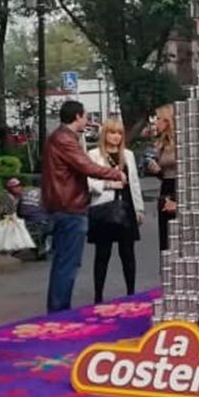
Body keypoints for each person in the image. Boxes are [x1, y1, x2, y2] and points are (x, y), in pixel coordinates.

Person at [42, 100, 125, 313]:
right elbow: (86, 166)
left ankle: (58, 308)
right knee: (67, 263)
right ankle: (60, 312)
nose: (87, 120)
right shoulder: (64, 140)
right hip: (69, 207)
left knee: (64, 261)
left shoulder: (59, 138)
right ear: (77, 116)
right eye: (85, 116)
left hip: (63, 206)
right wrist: (115, 173)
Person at [87, 116, 144, 303]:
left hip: (126, 208)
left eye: (119, 133)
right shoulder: (94, 154)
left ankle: (131, 293)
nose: (116, 137)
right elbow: (89, 182)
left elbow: (134, 182)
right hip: (104, 208)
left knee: (127, 253)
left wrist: (139, 208)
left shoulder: (128, 155)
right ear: (105, 134)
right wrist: (110, 185)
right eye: (112, 132)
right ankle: (98, 296)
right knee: (102, 253)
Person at [146, 104, 178, 253]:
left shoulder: (180, 142)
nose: (155, 122)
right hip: (165, 186)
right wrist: (156, 170)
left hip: (177, 188)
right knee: (165, 236)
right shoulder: (161, 143)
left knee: (176, 234)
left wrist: (176, 199)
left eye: (158, 119)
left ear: (167, 121)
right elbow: (163, 172)